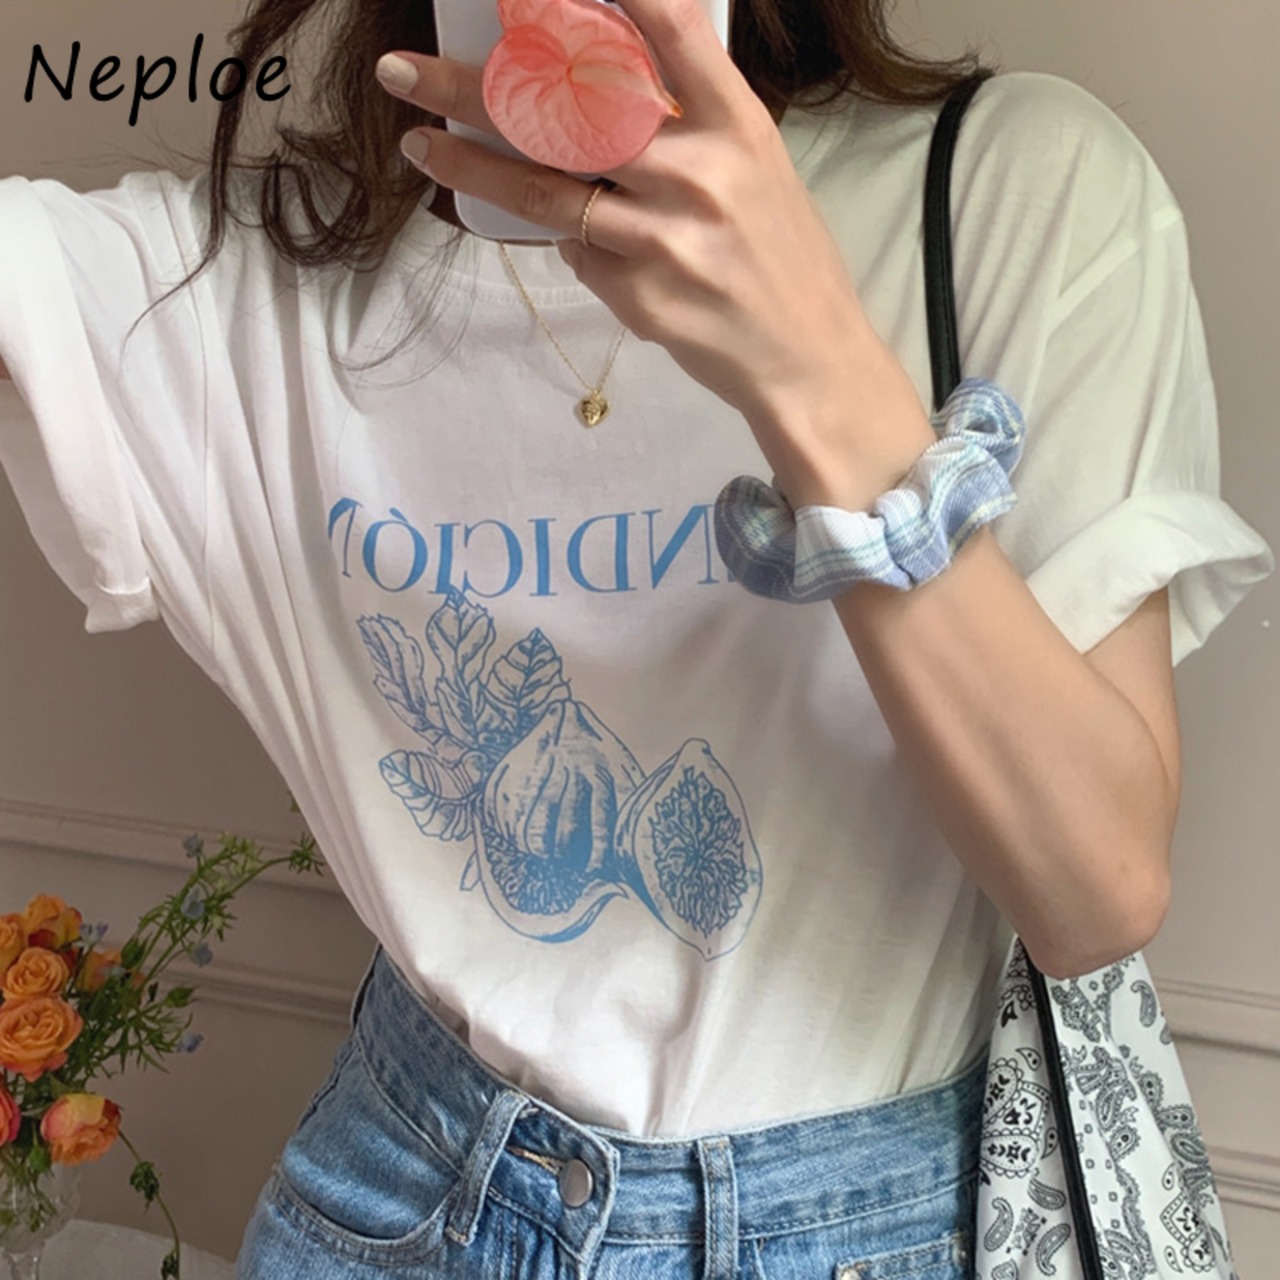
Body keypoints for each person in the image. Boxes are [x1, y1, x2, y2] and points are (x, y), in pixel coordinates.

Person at [0, 0, 1273, 1275]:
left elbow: (1095, 893)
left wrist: (812, 369)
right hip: (408, 1193)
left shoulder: (1011, 187)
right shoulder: (233, 279)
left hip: (885, 1224)